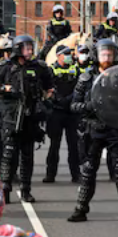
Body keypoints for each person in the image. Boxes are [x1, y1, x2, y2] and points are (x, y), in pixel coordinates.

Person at [67, 38, 118, 225]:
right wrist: (90, 106)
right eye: (103, 53)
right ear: (96, 55)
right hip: (93, 130)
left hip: (116, 130)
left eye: (110, 53)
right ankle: (81, 209)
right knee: (88, 171)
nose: (106, 56)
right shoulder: (86, 78)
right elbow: (74, 106)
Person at [0, 34, 52, 204]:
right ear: (18, 49)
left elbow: (49, 88)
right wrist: (4, 88)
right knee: (8, 154)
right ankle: (5, 189)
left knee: (27, 156)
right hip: (10, 116)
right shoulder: (5, 67)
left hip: (30, 117)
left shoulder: (39, 67)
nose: (30, 51)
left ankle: (26, 190)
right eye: (26, 48)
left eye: (31, 47)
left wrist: (44, 101)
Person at [44, 46, 82, 185]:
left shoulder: (75, 69)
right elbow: (47, 88)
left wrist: (71, 98)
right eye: (65, 54)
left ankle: (76, 174)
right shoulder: (51, 70)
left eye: (69, 54)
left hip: (71, 112)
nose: (68, 56)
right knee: (54, 145)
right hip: (56, 111)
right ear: (58, 56)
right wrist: (56, 98)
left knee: (74, 145)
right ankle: (50, 174)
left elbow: (80, 87)